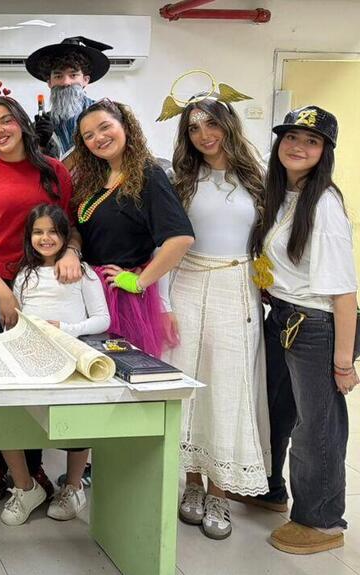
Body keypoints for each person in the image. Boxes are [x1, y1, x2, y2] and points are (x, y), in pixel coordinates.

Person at [160, 91, 270, 541]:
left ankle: (220, 490)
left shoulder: (259, 179)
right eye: (193, 127)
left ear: (228, 124)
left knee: (228, 384)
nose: (204, 135)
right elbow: (165, 243)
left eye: (211, 124)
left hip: (236, 288)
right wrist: (164, 303)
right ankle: (191, 483)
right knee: (188, 381)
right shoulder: (180, 179)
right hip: (187, 283)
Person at [246, 106, 356, 555]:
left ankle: (322, 520)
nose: (297, 146)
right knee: (276, 411)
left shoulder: (325, 205)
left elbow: (344, 294)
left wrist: (344, 363)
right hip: (284, 317)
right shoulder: (284, 194)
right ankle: (272, 489)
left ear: (325, 151)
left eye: (310, 141)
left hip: (315, 327)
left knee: (318, 427)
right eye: (291, 137)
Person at [0, 96, 75, 502]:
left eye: (5, 121)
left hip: (40, 288)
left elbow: (68, 228)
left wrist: (72, 251)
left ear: (21, 122)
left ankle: (33, 464)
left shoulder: (54, 172)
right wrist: (1, 291)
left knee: (34, 379)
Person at [0, 203, 108, 526]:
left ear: (65, 236)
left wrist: (66, 329)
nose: (45, 238)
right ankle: (25, 486)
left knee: (78, 420)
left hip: (71, 357)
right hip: (29, 358)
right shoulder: (24, 274)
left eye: (52, 232)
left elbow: (103, 319)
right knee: (7, 414)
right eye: (38, 232)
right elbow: (11, 321)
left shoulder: (83, 273)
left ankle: (72, 486)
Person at [71, 99, 194, 358]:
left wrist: (139, 282)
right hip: (92, 292)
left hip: (122, 298)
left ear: (125, 125)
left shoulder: (149, 175)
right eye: (89, 136)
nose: (99, 138)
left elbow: (180, 239)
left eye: (105, 127)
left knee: (121, 377)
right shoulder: (95, 179)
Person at [24, 36, 112, 165]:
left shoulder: (107, 113)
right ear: (49, 82)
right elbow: (30, 171)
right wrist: (39, 143)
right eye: (58, 76)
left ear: (85, 80)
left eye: (73, 75)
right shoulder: (40, 125)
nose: (66, 82)